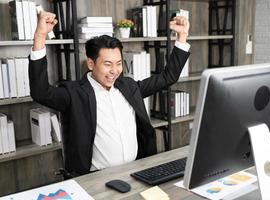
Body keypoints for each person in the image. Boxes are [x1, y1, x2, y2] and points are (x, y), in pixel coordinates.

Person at [29, 11, 190, 177]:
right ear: (91, 64)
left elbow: (167, 77)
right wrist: (40, 36)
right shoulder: (74, 93)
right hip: (95, 179)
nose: (114, 71)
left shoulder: (129, 86)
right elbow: (40, 93)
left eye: (118, 63)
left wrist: (182, 36)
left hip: (136, 171)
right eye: (107, 64)